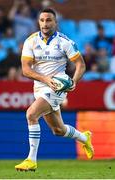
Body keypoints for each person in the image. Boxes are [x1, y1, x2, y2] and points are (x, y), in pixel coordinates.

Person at [15, 8, 94, 171]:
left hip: (57, 87)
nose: (45, 23)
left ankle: (31, 160)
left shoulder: (65, 42)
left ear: (55, 23)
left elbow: (81, 65)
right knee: (58, 130)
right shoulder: (30, 41)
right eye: (42, 20)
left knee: (31, 114)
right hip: (40, 86)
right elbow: (26, 70)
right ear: (38, 22)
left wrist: (74, 81)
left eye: (49, 20)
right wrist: (45, 79)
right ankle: (84, 137)